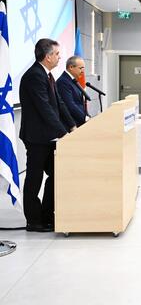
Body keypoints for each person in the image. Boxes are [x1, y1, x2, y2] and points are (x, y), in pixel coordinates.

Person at [20, 39, 76, 233]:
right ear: (48, 56)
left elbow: (59, 104)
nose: (60, 57)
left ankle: (47, 215)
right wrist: (63, 133)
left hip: (49, 137)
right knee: (34, 179)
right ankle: (34, 221)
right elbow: (45, 109)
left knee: (55, 174)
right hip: (37, 138)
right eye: (57, 54)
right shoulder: (34, 76)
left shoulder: (48, 75)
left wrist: (72, 127)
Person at [56, 56, 87, 127]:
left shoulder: (72, 80)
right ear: (71, 67)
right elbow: (70, 105)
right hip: (71, 125)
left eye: (83, 68)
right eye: (80, 68)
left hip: (79, 123)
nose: (83, 71)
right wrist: (85, 118)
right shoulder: (63, 82)